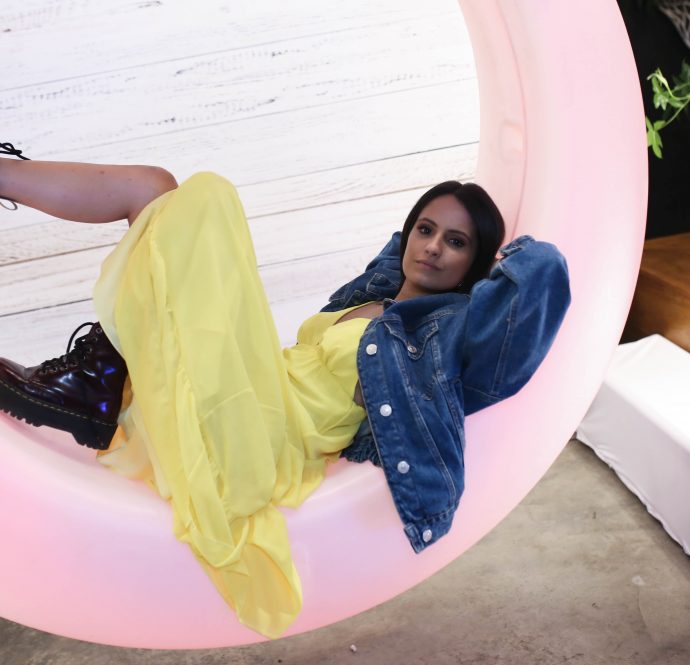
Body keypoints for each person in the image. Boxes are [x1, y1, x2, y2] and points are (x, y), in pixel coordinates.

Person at [0, 143, 571, 638]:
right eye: (426, 229)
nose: (433, 247)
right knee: (159, 191)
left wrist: (510, 256)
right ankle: (96, 378)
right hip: (252, 395)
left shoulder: (441, 334)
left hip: (264, 443)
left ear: (476, 262)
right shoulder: (373, 294)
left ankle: (95, 382)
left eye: (457, 242)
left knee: (201, 194)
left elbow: (541, 277)